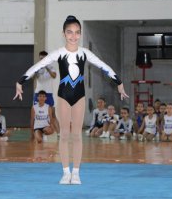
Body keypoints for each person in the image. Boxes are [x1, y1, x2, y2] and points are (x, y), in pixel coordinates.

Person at [13, 15, 128, 185]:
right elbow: (39, 65)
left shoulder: (84, 53)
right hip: (63, 97)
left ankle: (76, 173)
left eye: (77, 32)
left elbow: (103, 66)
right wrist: (20, 81)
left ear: (80, 34)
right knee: (65, 135)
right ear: (64, 34)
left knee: (77, 135)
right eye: (70, 32)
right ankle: (65, 172)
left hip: (79, 97)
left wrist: (119, 83)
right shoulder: (59, 53)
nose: (73, 36)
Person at [33, 51, 60, 135]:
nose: (42, 60)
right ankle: (38, 132)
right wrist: (36, 71)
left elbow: (54, 76)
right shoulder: (37, 67)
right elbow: (33, 78)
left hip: (48, 93)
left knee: (52, 114)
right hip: (38, 93)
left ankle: (59, 133)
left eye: (44, 58)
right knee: (36, 114)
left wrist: (46, 67)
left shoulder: (51, 67)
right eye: (41, 58)